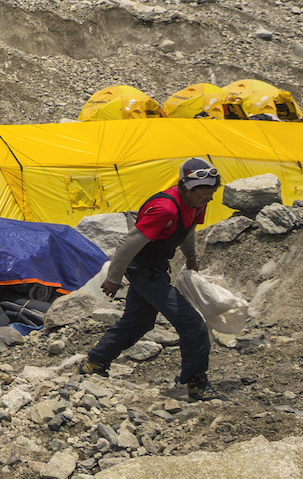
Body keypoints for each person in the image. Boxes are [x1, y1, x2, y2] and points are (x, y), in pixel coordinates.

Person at [81, 158, 218, 401]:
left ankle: (95, 362)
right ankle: (197, 383)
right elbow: (127, 244)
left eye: (211, 192)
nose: (209, 198)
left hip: (156, 267)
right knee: (192, 325)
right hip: (143, 269)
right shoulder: (164, 208)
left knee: (139, 322)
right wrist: (114, 277)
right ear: (186, 186)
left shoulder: (197, 203)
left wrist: (191, 258)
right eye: (204, 193)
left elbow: (187, 230)